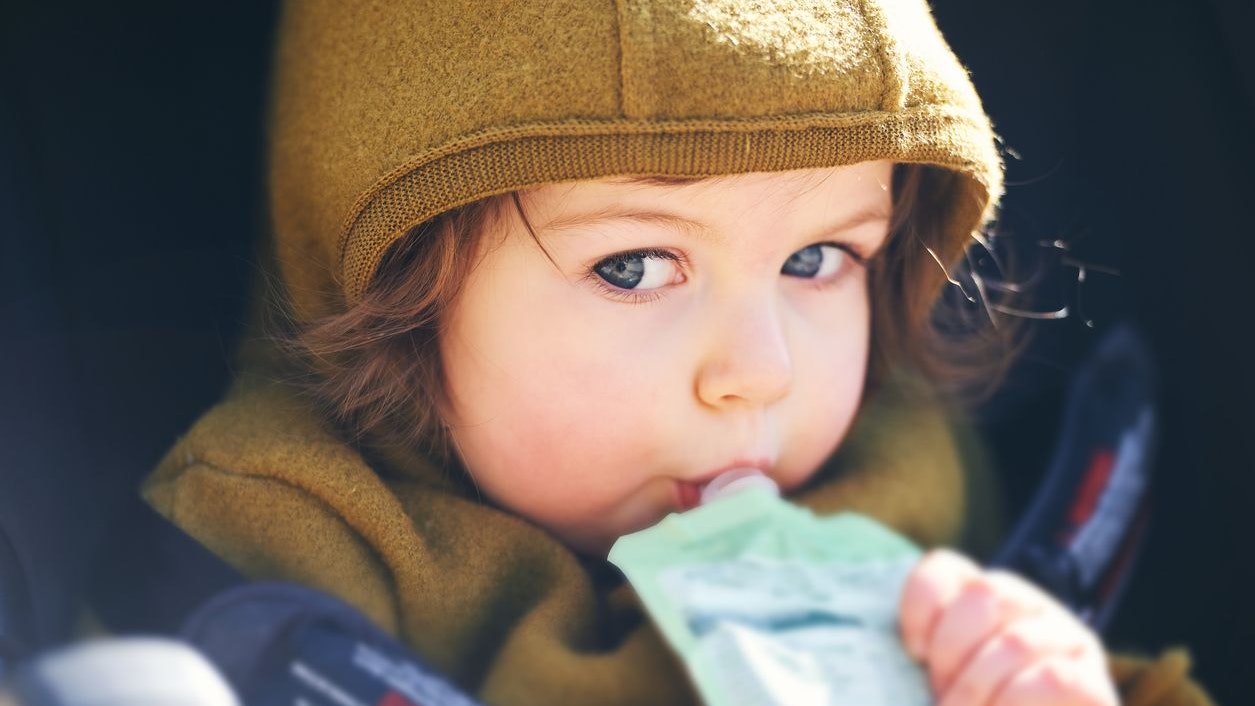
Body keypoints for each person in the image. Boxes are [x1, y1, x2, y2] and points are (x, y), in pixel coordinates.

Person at [140, 1, 1213, 704]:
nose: (759, 371)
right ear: (394, 293)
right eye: (634, 267)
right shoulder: (279, 543)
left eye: (816, 260)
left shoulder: (899, 486)